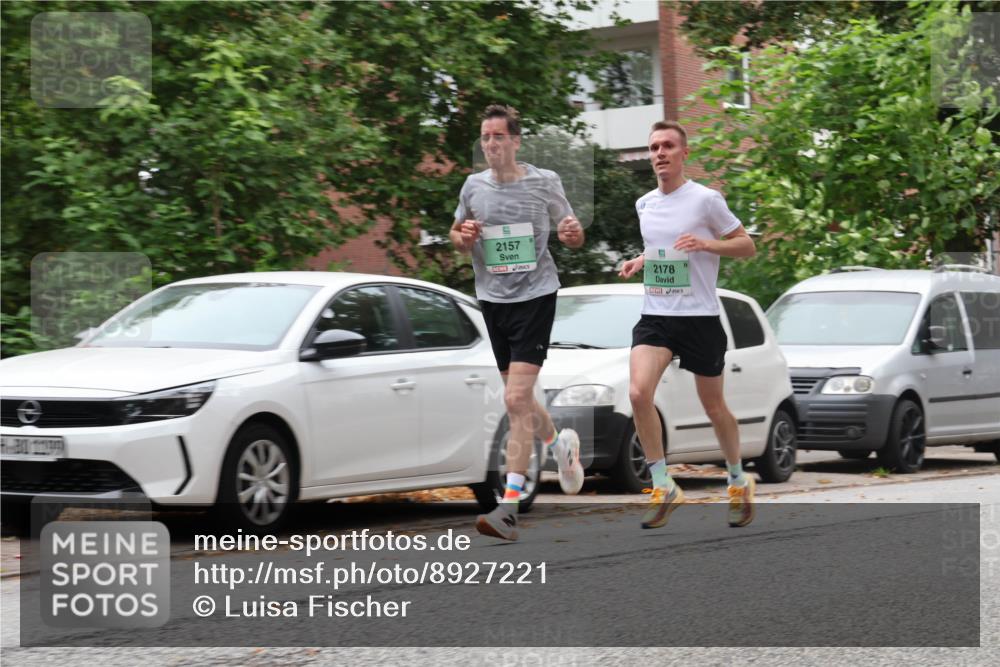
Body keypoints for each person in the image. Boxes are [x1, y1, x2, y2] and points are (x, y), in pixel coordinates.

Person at [450, 104, 585, 541]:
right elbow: (455, 234)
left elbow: (572, 231)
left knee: (514, 399)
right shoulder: (473, 186)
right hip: (493, 299)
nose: (490, 145)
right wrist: (462, 237)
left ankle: (508, 508)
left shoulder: (544, 182)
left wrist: (571, 233)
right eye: (485, 138)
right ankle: (559, 444)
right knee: (520, 399)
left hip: (535, 296)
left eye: (498, 137)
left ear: (515, 141)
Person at [618, 120, 757, 529]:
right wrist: (641, 260)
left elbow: (746, 245)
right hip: (657, 315)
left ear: (684, 154)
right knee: (639, 392)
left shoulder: (706, 200)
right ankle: (663, 485)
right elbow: (659, 246)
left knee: (714, 407)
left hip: (700, 318)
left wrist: (707, 244)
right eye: (654, 147)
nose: (659, 153)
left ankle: (737, 480)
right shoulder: (645, 204)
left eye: (667, 146)